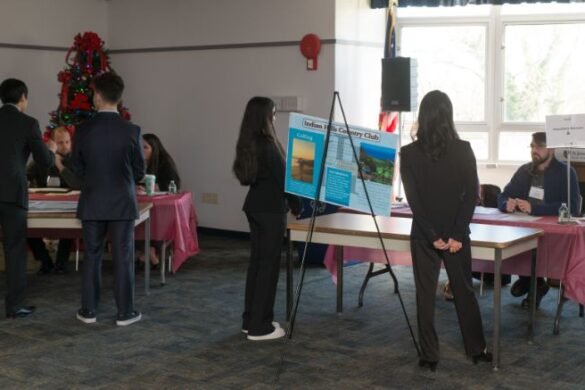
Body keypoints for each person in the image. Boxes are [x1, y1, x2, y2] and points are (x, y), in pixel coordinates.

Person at [400, 90, 491, 371]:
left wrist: (433, 236)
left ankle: (429, 356)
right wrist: (455, 234)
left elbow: (414, 202)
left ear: (422, 117)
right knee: (464, 291)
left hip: (425, 236)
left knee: (424, 295)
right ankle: (477, 349)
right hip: (456, 236)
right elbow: (470, 197)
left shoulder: (408, 153)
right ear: (448, 116)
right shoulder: (463, 149)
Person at [70, 72, 145, 326]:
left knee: (92, 256)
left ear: (97, 96)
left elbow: (76, 168)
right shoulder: (132, 130)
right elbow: (139, 171)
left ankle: (88, 311)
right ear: (119, 98)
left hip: (92, 201)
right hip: (122, 202)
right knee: (123, 256)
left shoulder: (82, 130)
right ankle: (125, 313)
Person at [232, 97, 299, 341]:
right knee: (268, 268)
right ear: (265, 116)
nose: (275, 118)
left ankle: (250, 320)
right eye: (273, 113)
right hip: (271, 211)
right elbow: (286, 182)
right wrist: (298, 206)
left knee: (257, 266)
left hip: (255, 207)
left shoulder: (249, 143)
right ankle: (261, 328)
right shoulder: (269, 145)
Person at [497, 131, 580, 309]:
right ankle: (532, 282)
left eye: (539, 146)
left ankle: (534, 283)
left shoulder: (567, 172)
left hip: (554, 232)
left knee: (539, 249)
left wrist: (535, 209)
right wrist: (506, 204)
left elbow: (573, 207)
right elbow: (503, 195)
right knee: (516, 243)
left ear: (551, 149)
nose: (534, 150)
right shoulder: (524, 171)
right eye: (532, 146)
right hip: (525, 228)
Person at [0, 78, 54, 318]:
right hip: (12, 193)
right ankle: (14, 306)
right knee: (14, 249)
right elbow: (45, 161)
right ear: (23, 98)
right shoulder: (28, 123)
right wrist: (51, 150)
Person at [27, 126, 80, 274]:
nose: (65, 146)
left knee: (68, 227)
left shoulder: (75, 159)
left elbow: (77, 184)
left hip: (68, 206)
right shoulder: (41, 159)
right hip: (43, 205)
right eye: (61, 143)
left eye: (68, 142)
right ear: (52, 143)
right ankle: (45, 261)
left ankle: (61, 264)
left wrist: (59, 165)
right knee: (26, 227)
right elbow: (25, 176)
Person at [135, 133, 181, 268]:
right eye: (140, 147)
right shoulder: (138, 163)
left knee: (146, 224)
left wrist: (149, 187)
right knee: (134, 223)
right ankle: (147, 252)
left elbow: (172, 186)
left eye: (145, 147)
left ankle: (149, 251)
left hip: (162, 210)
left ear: (154, 149)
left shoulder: (165, 163)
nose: (141, 150)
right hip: (145, 205)